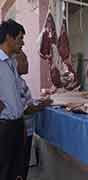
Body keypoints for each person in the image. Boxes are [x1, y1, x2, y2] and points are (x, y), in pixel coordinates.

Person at [15, 50, 52, 180]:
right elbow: (25, 109)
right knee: (19, 169)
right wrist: (44, 104)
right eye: (24, 60)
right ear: (14, 63)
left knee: (22, 167)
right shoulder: (15, 83)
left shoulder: (20, 81)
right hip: (21, 132)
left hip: (26, 131)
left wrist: (37, 102)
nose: (27, 63)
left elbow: (26, 102)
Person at [0, 19, 26, 180]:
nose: (22, 43)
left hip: (16, 125)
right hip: (3, 126)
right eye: (20, 38)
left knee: (15, 170)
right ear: (9, 37)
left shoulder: (11, 62)